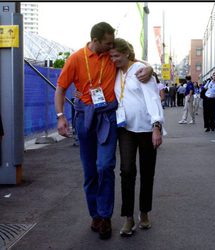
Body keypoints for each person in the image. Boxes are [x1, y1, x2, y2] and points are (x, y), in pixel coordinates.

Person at [54, 22, 153, 240]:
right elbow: (61, 88)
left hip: (108, 117)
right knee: (90, 170)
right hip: (84, 118)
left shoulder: (111, 56)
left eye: (112, 44)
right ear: (96, 40)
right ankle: (96, 215)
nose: (111, 47)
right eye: (107, 43)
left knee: (105, 165)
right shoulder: (76, 59)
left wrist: (151, 67)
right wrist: (61, 117)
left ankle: (106, 216)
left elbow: (133, 61)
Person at [109, 38, 165, 237]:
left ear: (126, 54)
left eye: (116, 56)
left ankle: (144, 213)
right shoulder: (116, 71)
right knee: (126, 171)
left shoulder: (140, 70)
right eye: (111, 56)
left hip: (147, 129)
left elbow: (153, 99)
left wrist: (156, 126)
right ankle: (128, 218)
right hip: (125, 129)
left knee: (147, 172)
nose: (113, 59)